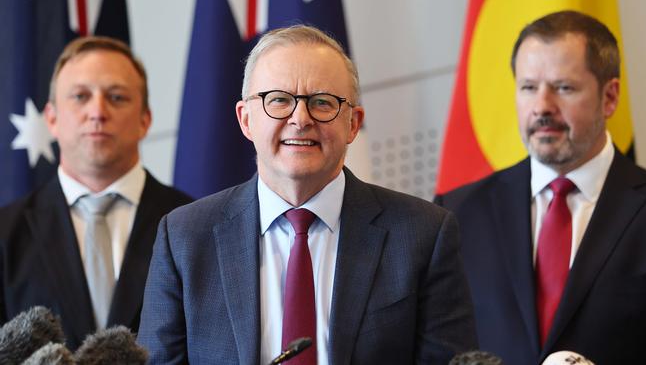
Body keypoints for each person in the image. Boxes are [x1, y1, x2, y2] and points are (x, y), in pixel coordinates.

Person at [137, 25, 477, 364]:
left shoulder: (423, 234)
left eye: (322, 102)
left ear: (353, 123)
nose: (300, 119)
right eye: (280, 100)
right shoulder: (184, 237)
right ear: (245, 120)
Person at [435, 10, 646, 364]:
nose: (542, 107)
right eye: (529, 88)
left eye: (564, 88)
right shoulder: (458, 214)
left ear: (609, 97)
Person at [0, 36, 192, 350]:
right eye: (80, 96)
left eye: (116, 97)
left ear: (145, 120)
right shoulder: (6, 235)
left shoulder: (195, 225)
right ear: (51, 119)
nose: (97, 112)